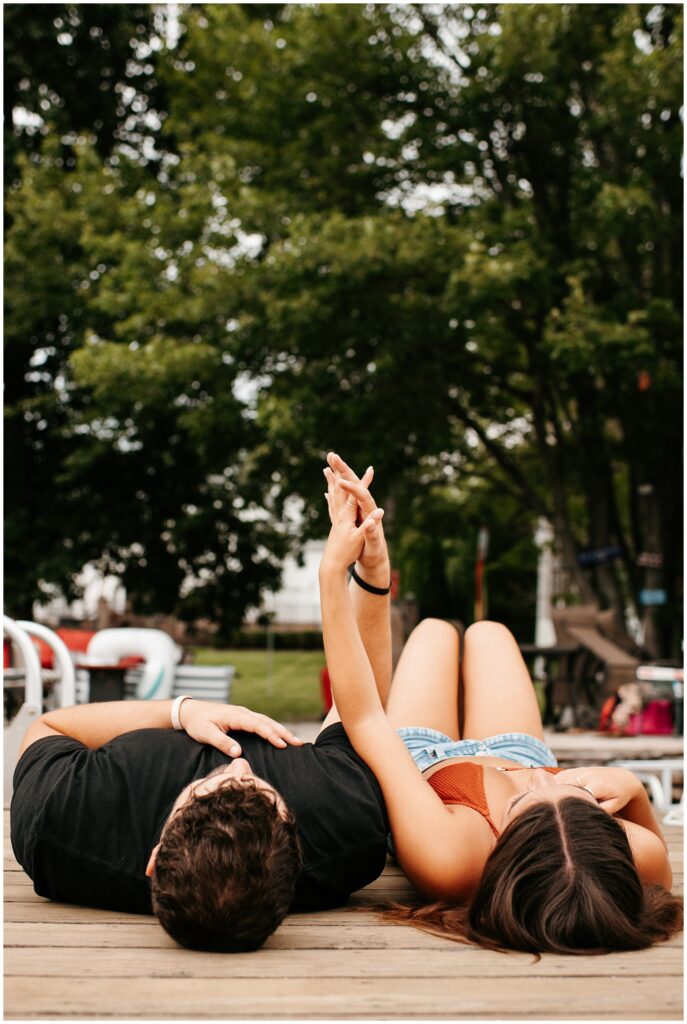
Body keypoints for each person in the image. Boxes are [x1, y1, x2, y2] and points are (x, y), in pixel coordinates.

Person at [319, 451, 683, 954]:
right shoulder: (633, 857)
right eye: (581, 799)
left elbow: (365, 720)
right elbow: (655, 858)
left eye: (524, 803)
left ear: (504, 853)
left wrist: (354, 572)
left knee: (434, 633)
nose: (541, 779)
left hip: (425, 763)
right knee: (490, 632)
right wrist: (632, 791)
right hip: (517, 746)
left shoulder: (450, 860)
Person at [11, 656, 390, 950]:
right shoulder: (347, 822)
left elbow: (48, 727)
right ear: (296, 858)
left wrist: (180, 711)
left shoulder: (55, 820)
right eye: (258, 786)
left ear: (157, 858)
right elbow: (362, 706)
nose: (239, 764)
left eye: (210, 786)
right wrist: (369, 578)